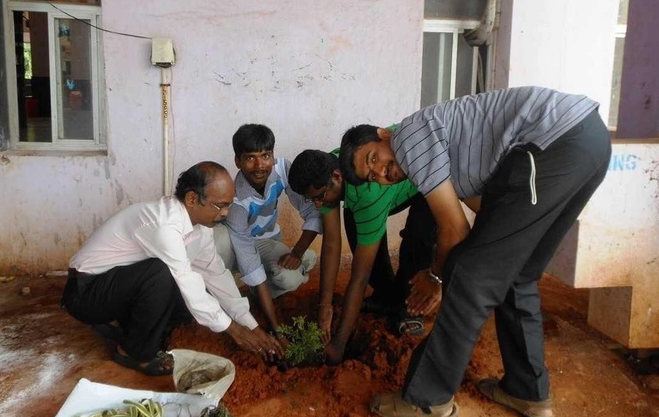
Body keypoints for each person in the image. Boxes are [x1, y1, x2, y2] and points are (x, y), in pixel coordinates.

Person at [339, 86, 611, 417]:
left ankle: (428, 399)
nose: (381, 172)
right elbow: (489, 218)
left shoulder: (408, 138)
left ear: (383, 134)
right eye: (372, 176)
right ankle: (527, 390)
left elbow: (455, 231)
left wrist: (435, 278)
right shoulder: (448, 150)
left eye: (373, 157)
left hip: (552, 144)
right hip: (588, 141)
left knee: (469, 272)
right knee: (517, 272)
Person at [61, 161, 284, 376]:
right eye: (220, 205)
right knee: (163, 274)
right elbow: (186, 280)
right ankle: (132, 351)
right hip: (85, 292)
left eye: (229, 205)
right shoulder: (165, 225)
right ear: (192, 199)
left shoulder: (201, 227)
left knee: (189, 301)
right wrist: (234, 331)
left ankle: (121, 324)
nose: (225, 213)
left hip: (114, 286)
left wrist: (251, 325)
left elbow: (215, 274)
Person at [287, 149, 436, 339]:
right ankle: (386, 296)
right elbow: (332, 244)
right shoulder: (327, 170)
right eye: (312, 199)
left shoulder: (367, 192)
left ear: (337, 176)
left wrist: (339, 345)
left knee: (417, 239)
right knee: (358, 231)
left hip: (429, 175)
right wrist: (325, 306)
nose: (317, 204)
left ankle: (410, 308)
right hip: (374, 190)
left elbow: (360, 274)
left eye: (320, 198)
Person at [214, 124, 321, 333]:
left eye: (265, 156)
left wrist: (297, 252)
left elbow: (312, 210)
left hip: (269, 241)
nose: (259, 165)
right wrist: (275, 329)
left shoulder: (282, 170)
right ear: (238, 161)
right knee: (281, 276)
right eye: (250, 158)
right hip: (241, 244)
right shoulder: (236, 199)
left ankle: (298, 260)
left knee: (288, 278)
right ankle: (246, 293)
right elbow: (248, 260)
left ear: (273, 156)